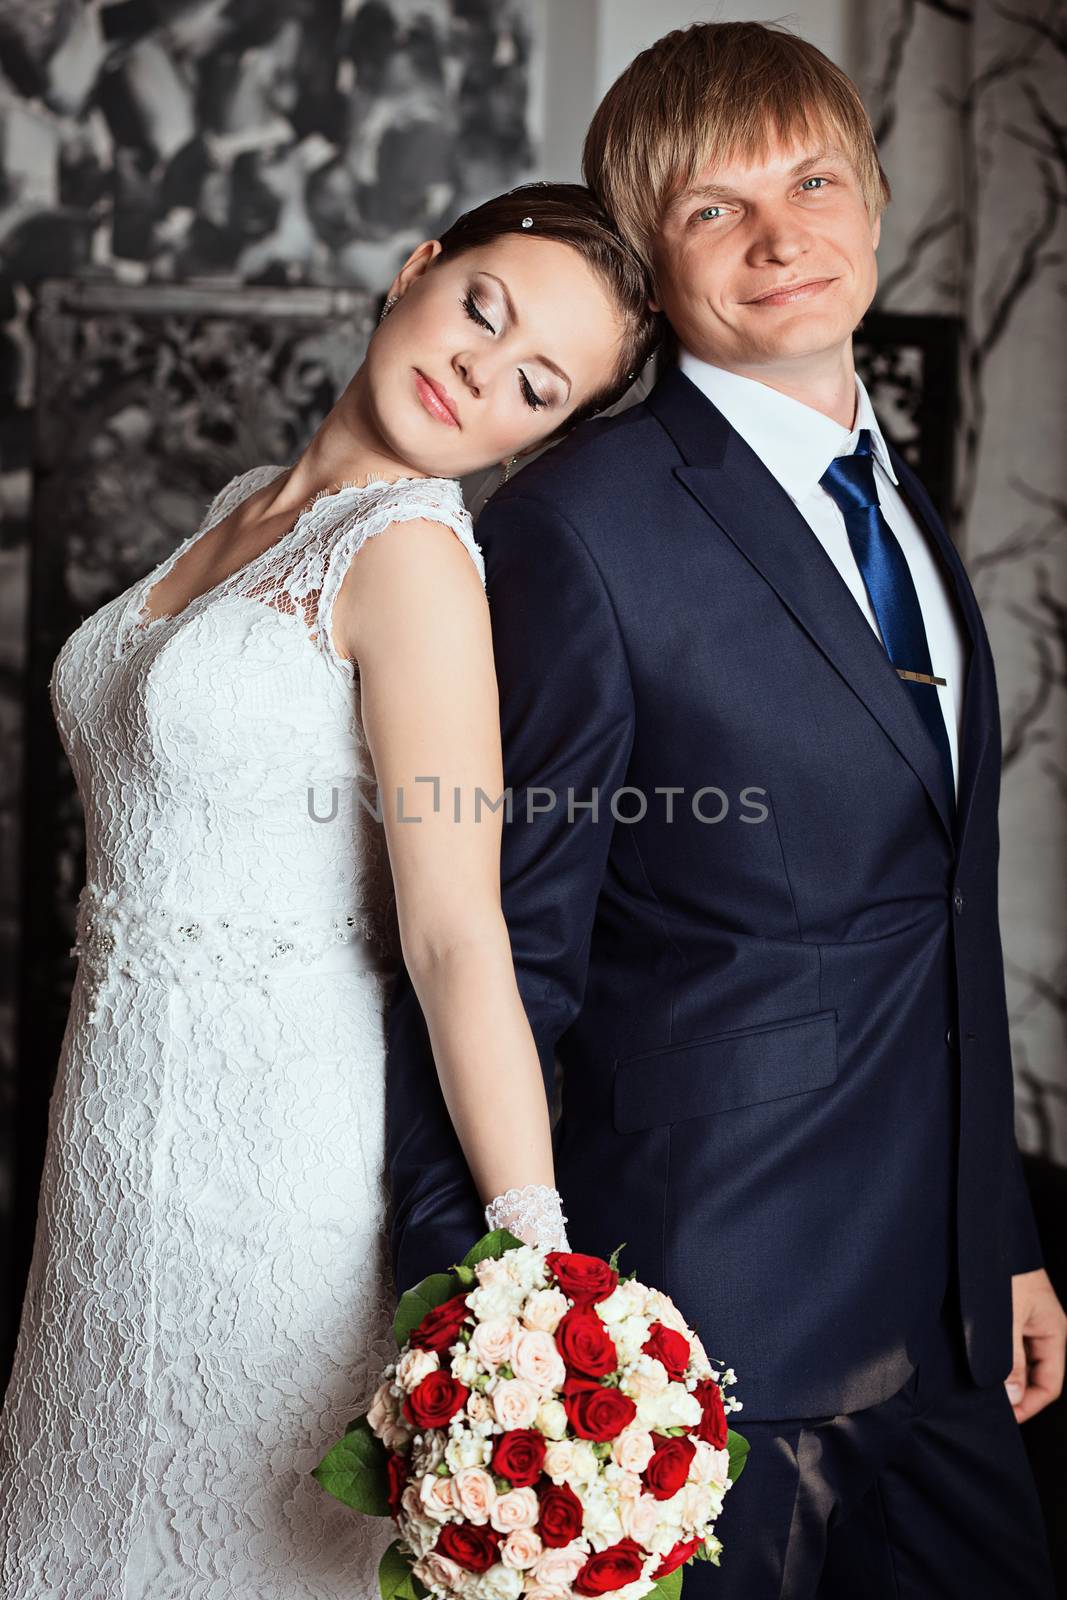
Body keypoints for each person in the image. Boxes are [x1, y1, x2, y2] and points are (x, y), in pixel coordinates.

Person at [384, 23, 1064, 1597]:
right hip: (702, 1342)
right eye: (712, 208)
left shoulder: (897, 491)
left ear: (876, 201)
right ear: (652, 262)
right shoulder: (576, 528)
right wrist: (493, 1319)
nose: (782, 235)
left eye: (814, 179)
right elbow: (493, 945)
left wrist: (1004, 1234)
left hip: (948, 1320)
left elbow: (945, 905)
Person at [0, 183, 660, 1597]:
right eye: (482, 308)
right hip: (114, 1127)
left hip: (268, 1158)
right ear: (417, 269)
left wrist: (532, 1258)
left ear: (539, 434)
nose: (481, 372)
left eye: (536, 385)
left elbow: (454, 927)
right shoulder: (249, 505)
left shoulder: (413, 558)